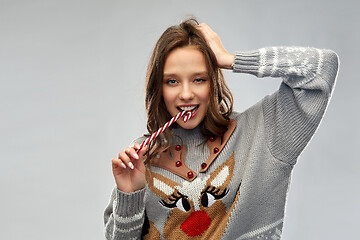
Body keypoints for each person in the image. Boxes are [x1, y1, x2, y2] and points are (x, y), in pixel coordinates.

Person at [104, 19, 339, 240]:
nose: (186, 94)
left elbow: (322, 68)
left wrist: (230, 59)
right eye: (172, 81)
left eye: (199, 79)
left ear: (214, 81)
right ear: (159, 88)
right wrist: (130, 195)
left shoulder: (263, 132)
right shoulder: (141, 157)